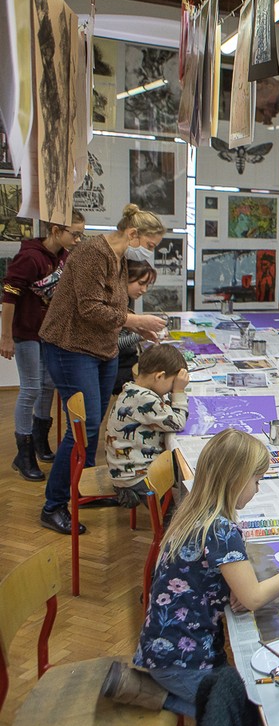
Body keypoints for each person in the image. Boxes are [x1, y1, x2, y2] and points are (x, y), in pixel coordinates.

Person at [101, 429, 279, 716]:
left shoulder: (194, 509)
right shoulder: (221, 530)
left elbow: (218, 577)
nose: (258, 489)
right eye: (257, 480)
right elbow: (253, 599)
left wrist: (235, 588)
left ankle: (147, 689)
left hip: (165, 648)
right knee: (248, 713)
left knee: (240, 699)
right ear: (236, 480)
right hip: (182, 661)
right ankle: (146, 692)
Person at [38, 204, 167, 535]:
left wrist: (136, 328)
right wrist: (136, 320)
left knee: (95, 426)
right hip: (71, 347)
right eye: (149, 244)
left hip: (100, 348)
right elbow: (89, 307)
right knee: (83, 429)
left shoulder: (118, 255)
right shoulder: (93, 252)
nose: (149, 251)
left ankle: (82, 489)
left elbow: (114, 305)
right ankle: (53, 505)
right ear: (133, 233)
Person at [1, 210, 86, 480]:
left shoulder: (63, 257)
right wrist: (5, 337)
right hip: (26, 333)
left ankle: (39, 441)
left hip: (47, 334)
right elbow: (9, 298)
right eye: (74, 234)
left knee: (49, 384)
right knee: (30, 389)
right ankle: (23, 453)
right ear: (55, 231)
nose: (78, 239)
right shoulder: (29, 257)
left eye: (81, 234)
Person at [104, 344, 189, 508]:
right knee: (174, 516)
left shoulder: (133, 389)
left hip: (125, 473)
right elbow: (178, 422)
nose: (170, 391)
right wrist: (179, 391)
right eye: (171, 385)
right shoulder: (144, 398)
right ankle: (168, 531)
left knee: (180, 470)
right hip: (136, 479)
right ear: (159, 377)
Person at [112, 260, 158, 395]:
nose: (144, 290)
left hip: (125, 360)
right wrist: (140, 336)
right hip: (115, 367)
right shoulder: (114, 302)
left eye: (147, 285)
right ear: (125, 278)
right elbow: (113, 344)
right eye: (141, 284)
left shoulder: (127, 299)